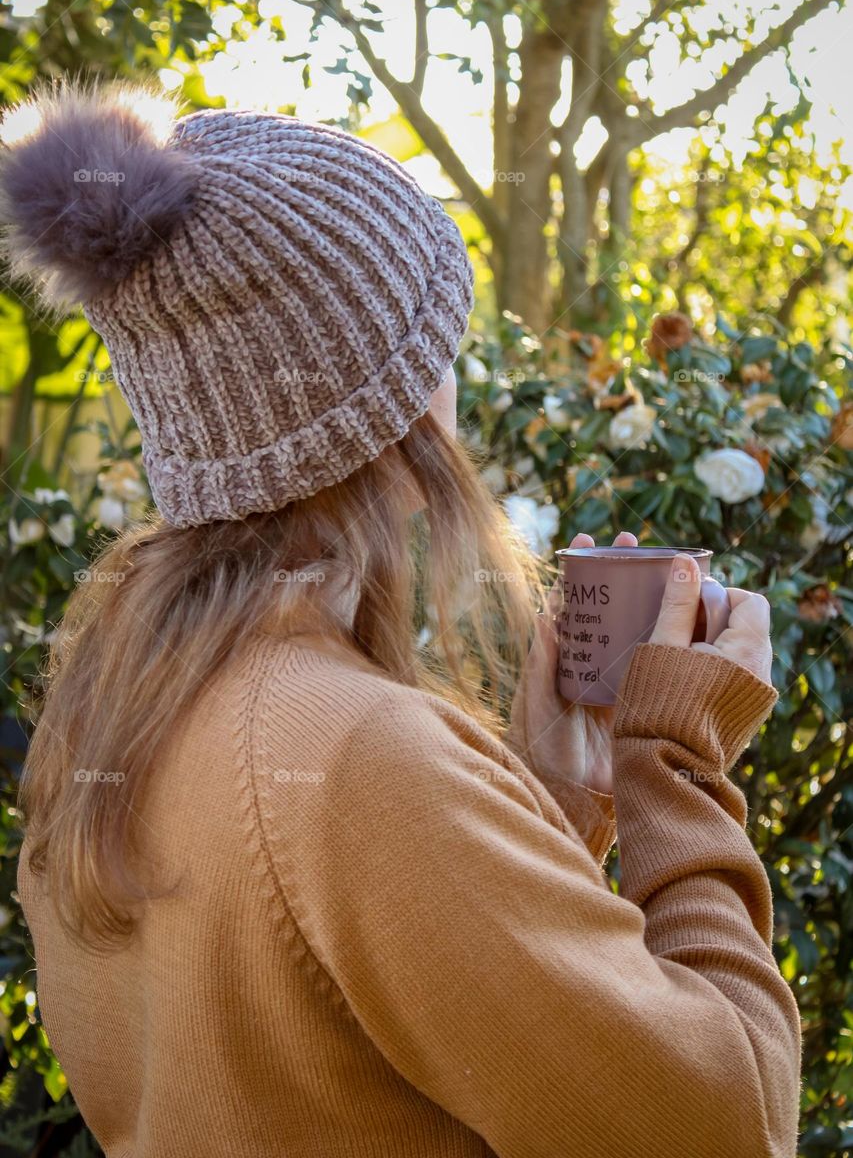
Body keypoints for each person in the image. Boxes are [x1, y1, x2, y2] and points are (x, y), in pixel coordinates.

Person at [0, 81, 800, 1158]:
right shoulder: (365, 754)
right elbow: (729, 1125)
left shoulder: (111, 693)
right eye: (443, 344)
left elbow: (333, 1049)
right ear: (397, 401)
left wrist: (556, 800)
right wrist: (676, 761)